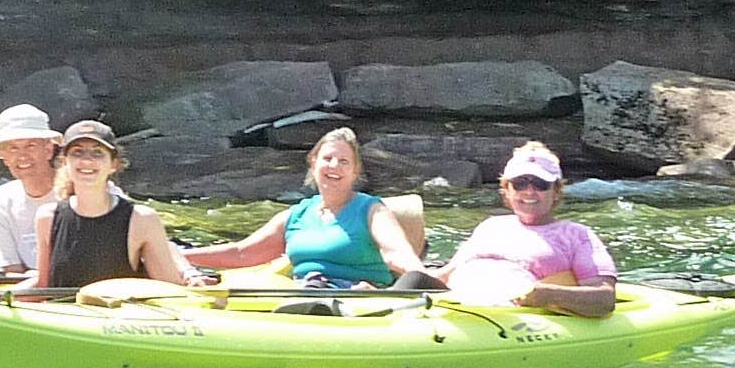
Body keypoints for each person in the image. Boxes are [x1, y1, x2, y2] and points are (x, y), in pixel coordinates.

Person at [183, 127, 425, 288]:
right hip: (306, 292)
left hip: (359, 296)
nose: (334, 166)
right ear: (313, 163)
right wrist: (179, 256)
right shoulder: (296, 214)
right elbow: (242, 253)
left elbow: (396, 252)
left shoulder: (372, 210)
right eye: (327, 159)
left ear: (355, 171)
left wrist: (423, 277)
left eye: (344, 162)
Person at [395, 142, 617, 317]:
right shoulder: (491, 226)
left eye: (540, 184)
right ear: (507, 190)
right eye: (520, 183)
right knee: (415, 279)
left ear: (556, 192)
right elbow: (444, 276)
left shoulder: (577, 235)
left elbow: (604, 300)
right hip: (457, 304)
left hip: (509, 312)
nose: (529, 192)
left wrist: (548, 294)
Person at [30, 120, 207, 289]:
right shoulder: (47, 217)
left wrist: (191, 275)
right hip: (64, 315)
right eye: (77, 152)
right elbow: (43, 285)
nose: (86, 160)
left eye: (97, 153)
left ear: (113, 164)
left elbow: (170, 292)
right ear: (65, 162)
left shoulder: (142, 219)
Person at [0, 104, 63, 274]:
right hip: (27, 290)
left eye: (31, 146)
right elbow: (9, 267)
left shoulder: (83, 191)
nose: (22, 156)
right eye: (13, 148)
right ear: (5, 158)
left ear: (48, 150)